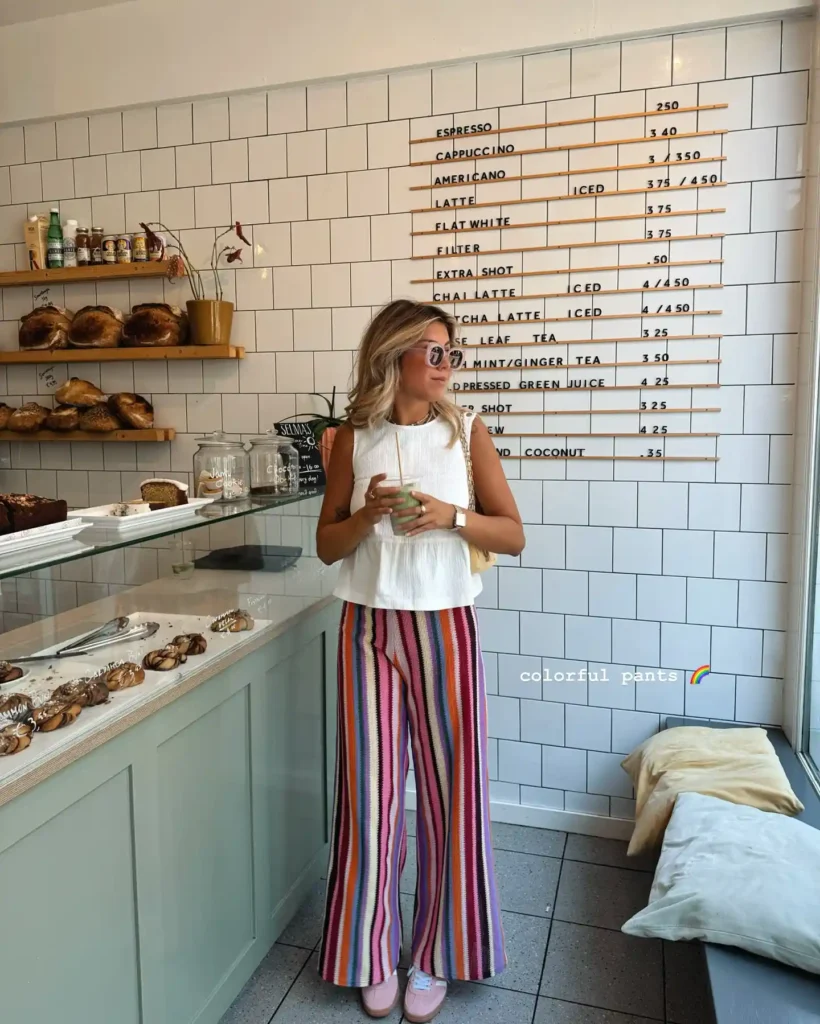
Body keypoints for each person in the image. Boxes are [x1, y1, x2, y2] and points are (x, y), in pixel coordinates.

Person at [316, 299, 525, 1022]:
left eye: (449, 353)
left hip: (445, 629)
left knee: (451, 797)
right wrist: (366, 516)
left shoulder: (468, 434)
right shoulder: (349, 438)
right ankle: (370, 952)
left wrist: (449, 516)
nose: (445, 365)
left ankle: (437, 954)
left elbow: (513, 535)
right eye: (432, 351)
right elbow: (327, 547)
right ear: (394, 355)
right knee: (370, 798)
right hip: (366, 628)